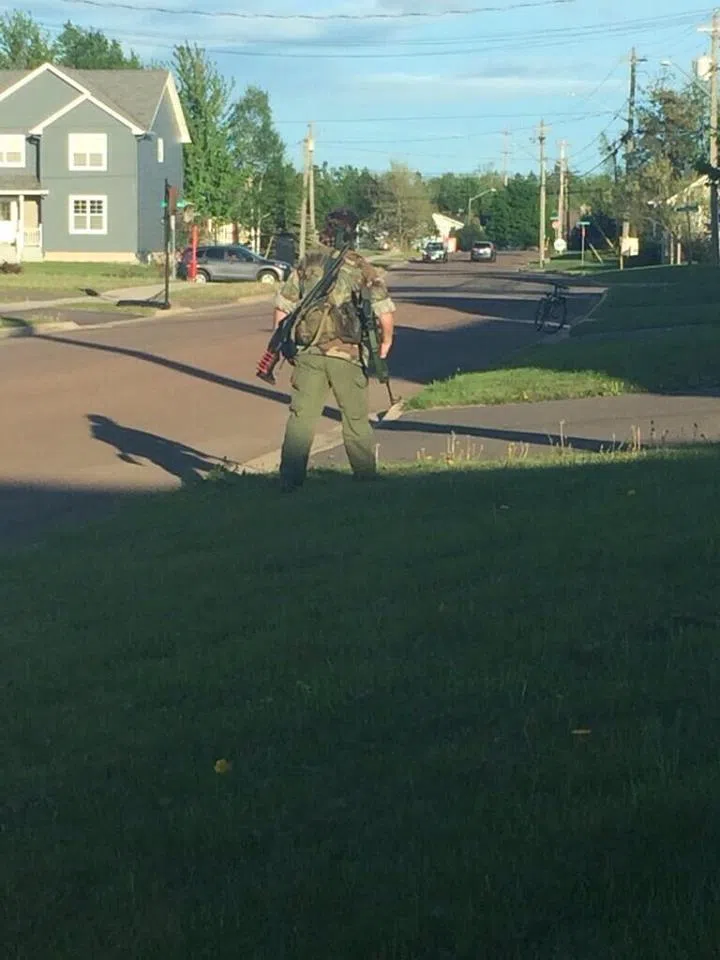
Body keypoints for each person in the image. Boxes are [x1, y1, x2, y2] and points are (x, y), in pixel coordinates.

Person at [272, 208, 396, 490]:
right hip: (347, 355)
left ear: (325, 232)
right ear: (352, 233)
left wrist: (285, 344)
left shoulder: (307, 262)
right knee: (354, 419)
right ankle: (366, 478)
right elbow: (384, 312)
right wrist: (385, 343)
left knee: (301, 417)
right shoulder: (361, 267)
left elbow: (283, 308)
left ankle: (290, 480)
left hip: (309, 352)